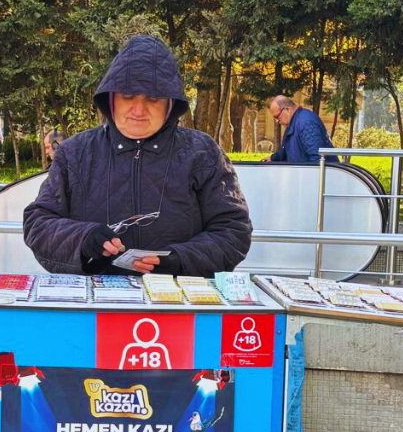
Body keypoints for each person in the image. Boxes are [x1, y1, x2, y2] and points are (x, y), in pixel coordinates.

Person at [24, 34, 252, 277]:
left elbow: (233, 230)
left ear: (169, 103)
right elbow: (39, 224)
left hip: (176, 303)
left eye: (153, 98)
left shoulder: (203, 152)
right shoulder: (75, 152)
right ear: (111, 98)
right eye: (128, 96)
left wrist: (180, 260)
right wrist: (83, 239)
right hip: (93, 304)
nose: (138, 110)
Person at [267, 95, 336, 163]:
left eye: (277, 117)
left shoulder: (306, 123)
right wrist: (273, 158)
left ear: (287, 110)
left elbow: (317, 159)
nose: (277, 121)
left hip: (321, 173)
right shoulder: (294, 122)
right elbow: (286, 150)